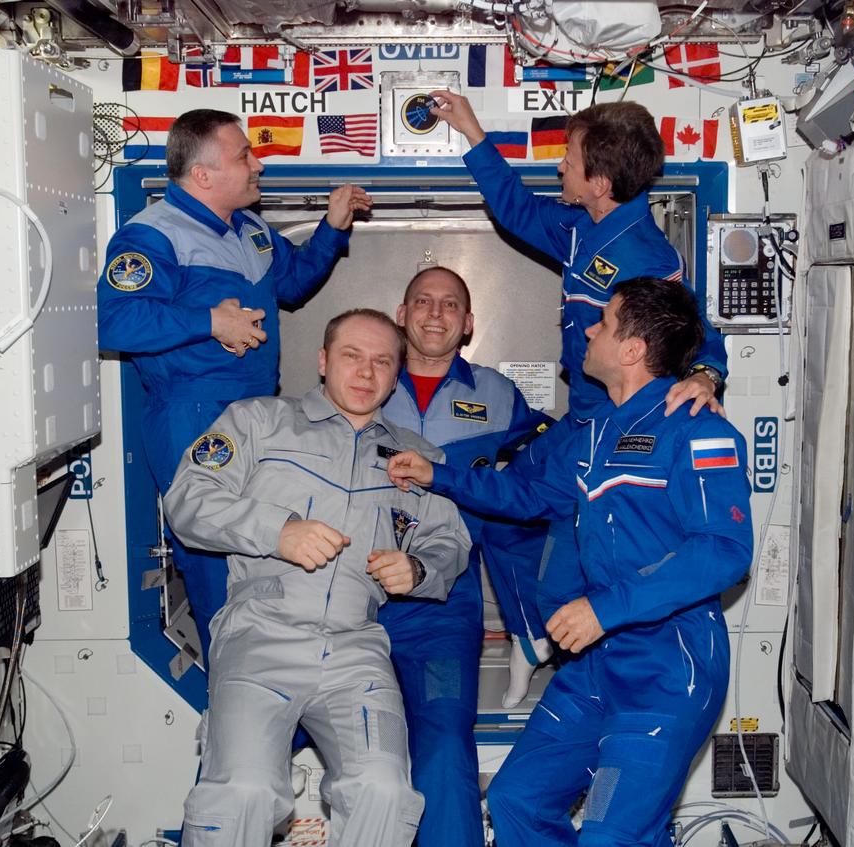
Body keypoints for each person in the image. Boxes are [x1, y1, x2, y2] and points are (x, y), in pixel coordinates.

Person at [387, 278, 754, 847]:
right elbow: (526, 494)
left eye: (603, 322)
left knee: (612, 835)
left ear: (632, 349)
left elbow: (724, 550)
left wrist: (603, 610)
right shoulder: (593, 433)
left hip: (666, 670)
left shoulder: (699, 430)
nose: (588, 330)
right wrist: (438, 475)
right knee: (517, 801)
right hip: (595, 667)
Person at [427, 92, 731, 642]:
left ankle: (570, 645)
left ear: (600, 184)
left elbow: (696, 329)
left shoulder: (647, 256)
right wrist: (473, 132)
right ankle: (534, 641)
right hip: (579, 423)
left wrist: (705, 374)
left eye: (568, 159)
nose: (559, 167)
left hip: (615, 432)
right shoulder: (580, 227)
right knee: (499, 509)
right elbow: (517, 209)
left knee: (575, 581)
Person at [164, 309, 471, 847]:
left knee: (385, 792)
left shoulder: (417, 457)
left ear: (395, 375)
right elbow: (187, 499)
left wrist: (419, 568)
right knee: (243, 792)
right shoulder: (258, 422)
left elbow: (451, 540)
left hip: (356, 647)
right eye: (352, 356)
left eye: (382, 362)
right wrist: (278, 530)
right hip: (261, 635)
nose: (366, 372)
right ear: (324, 360)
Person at [96, 108, 372, 664]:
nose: (258, 165)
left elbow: (293, 284)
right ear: (202, 174)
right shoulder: (153, 235)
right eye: (244, 155)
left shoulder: (252, 230)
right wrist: (209, 322)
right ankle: (231, 693)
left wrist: (332, 227)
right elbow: (114, 321)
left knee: (265, 550)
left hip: (261, 417)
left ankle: (277, 681)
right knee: (214, 562)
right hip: (192, 417)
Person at [378, 266, 552, 847]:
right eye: (422, 301)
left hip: (442, 604)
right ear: (401, 315)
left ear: (469, 323)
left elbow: (545, 473)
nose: (435, 313)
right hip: (352, 598)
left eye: (450, 304)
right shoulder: (367, 379)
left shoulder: (497, 397)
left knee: (445, 742)